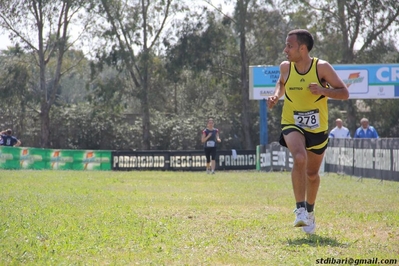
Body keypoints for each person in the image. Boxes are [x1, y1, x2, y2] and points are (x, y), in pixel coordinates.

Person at [267, 29, 349, 234]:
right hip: (291, 121)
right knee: (299, 157)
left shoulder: (322, 68)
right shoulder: (285, 67)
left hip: (317, 127)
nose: (285, 50)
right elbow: (281, 83)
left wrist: (323, 90)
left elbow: (344, 93)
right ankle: (300, 209)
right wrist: (276, 95)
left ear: (302, 49)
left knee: (312, 174)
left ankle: (310, 212)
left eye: (289, 46)